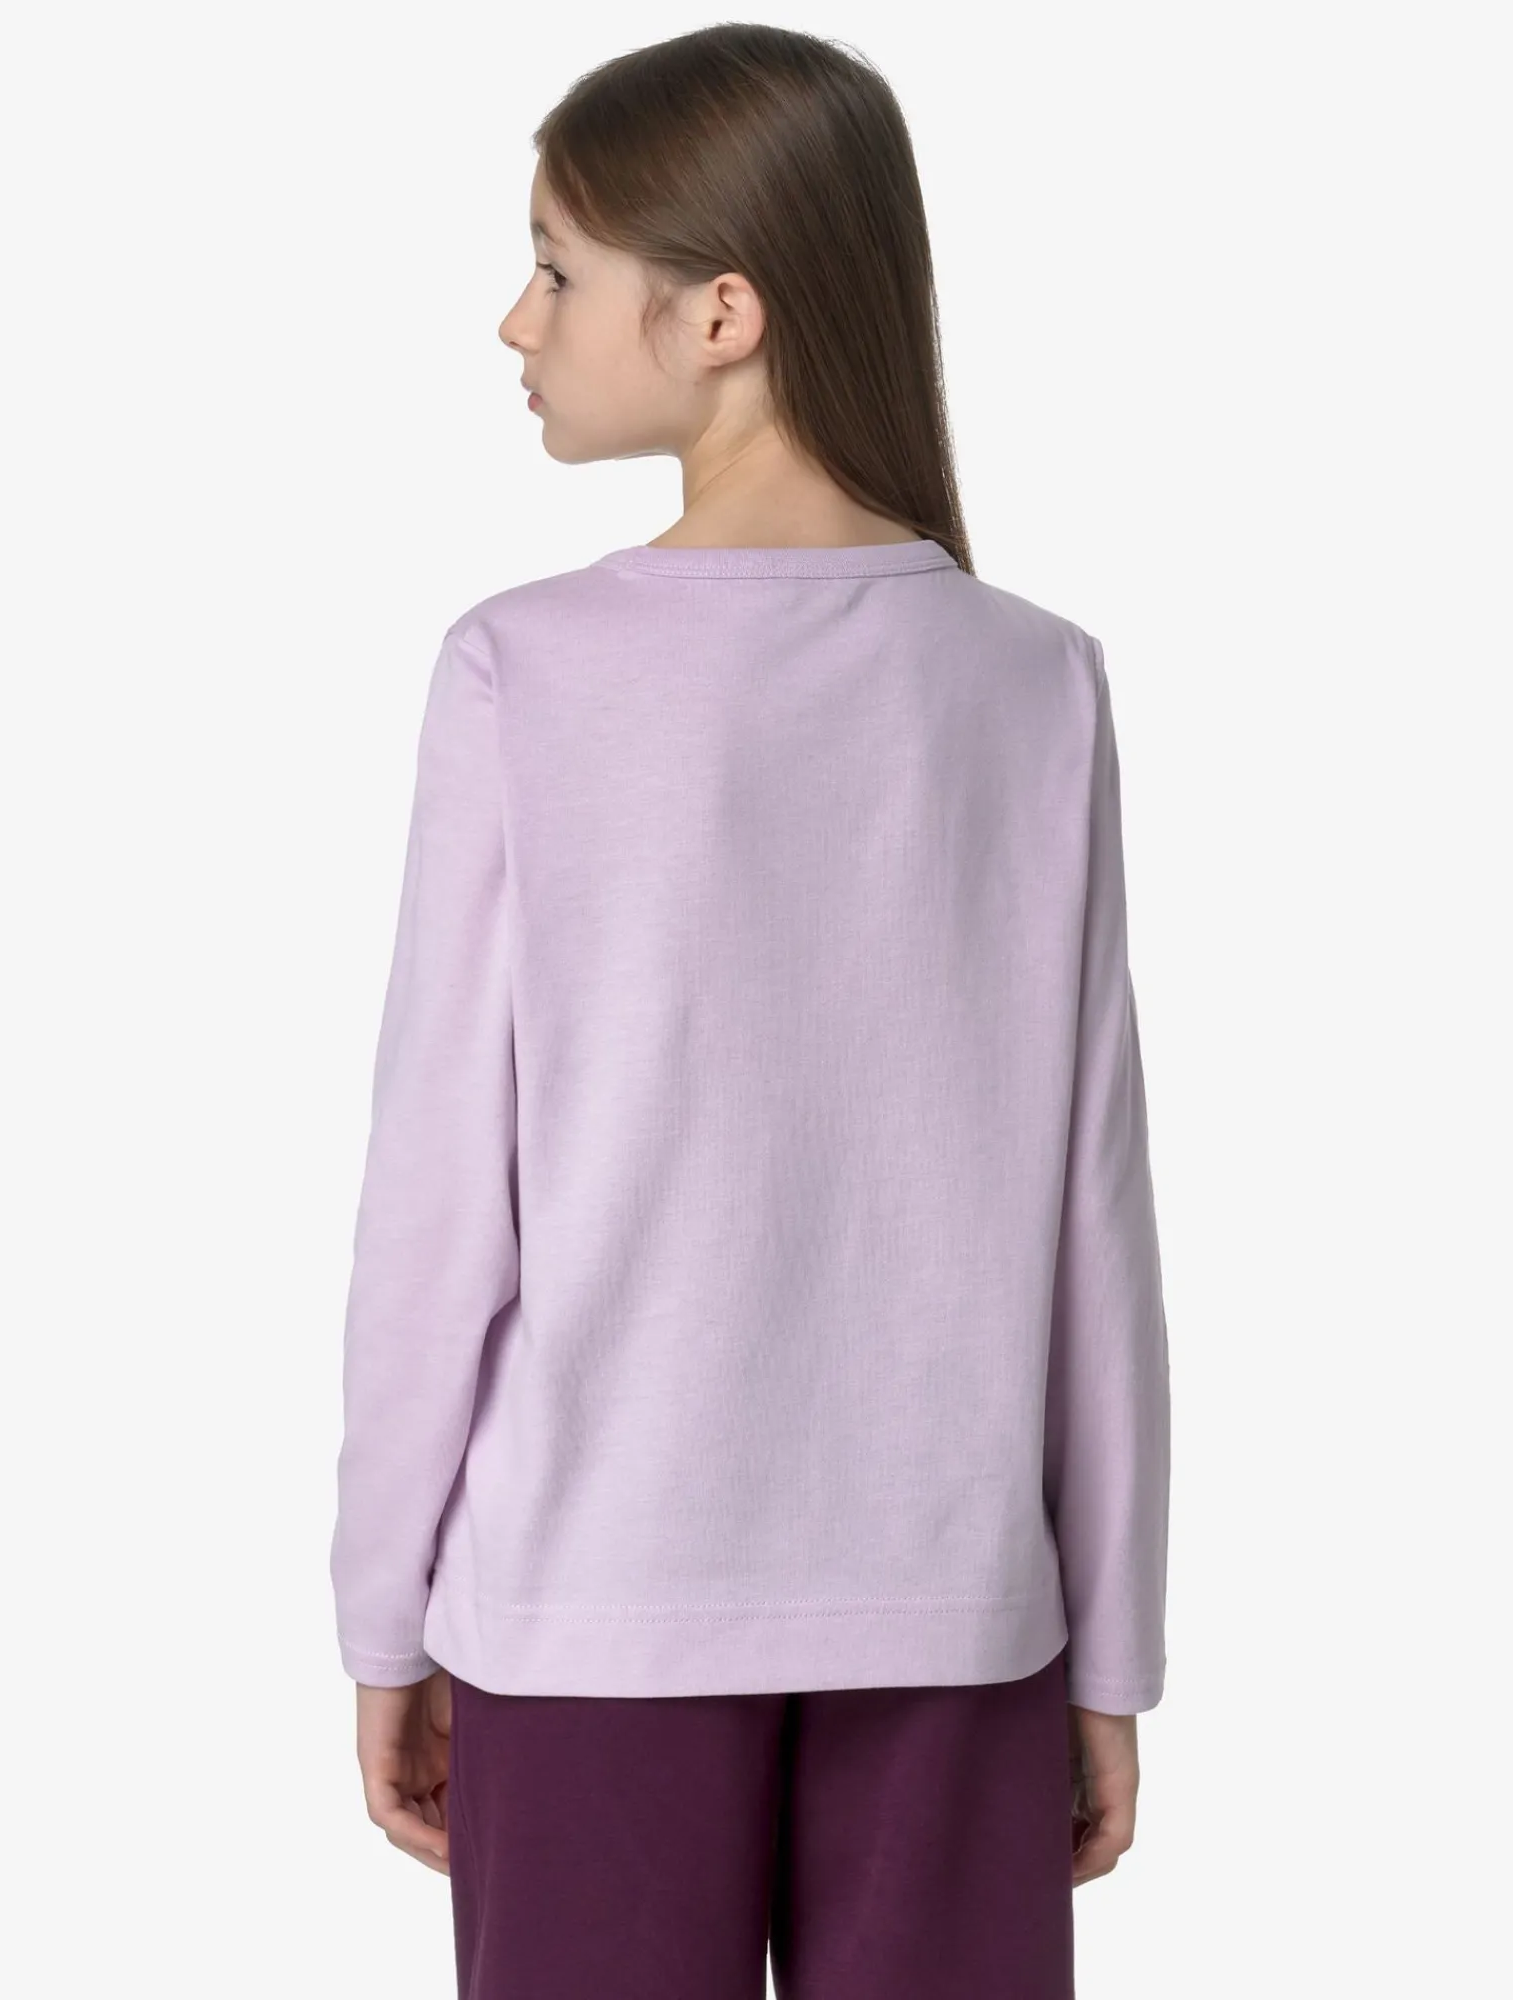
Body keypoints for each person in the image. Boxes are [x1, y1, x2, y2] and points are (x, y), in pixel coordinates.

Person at [328, 23, 1171, 1998]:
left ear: (721, 313)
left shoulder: (523, 674)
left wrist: (384, 1607)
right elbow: (1096, 1217)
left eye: (555, 268)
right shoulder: (1033, 682)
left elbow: (440, 1201)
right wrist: (1112, 1642)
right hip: (957, 1609)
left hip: (588, 1606)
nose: (514, 320)